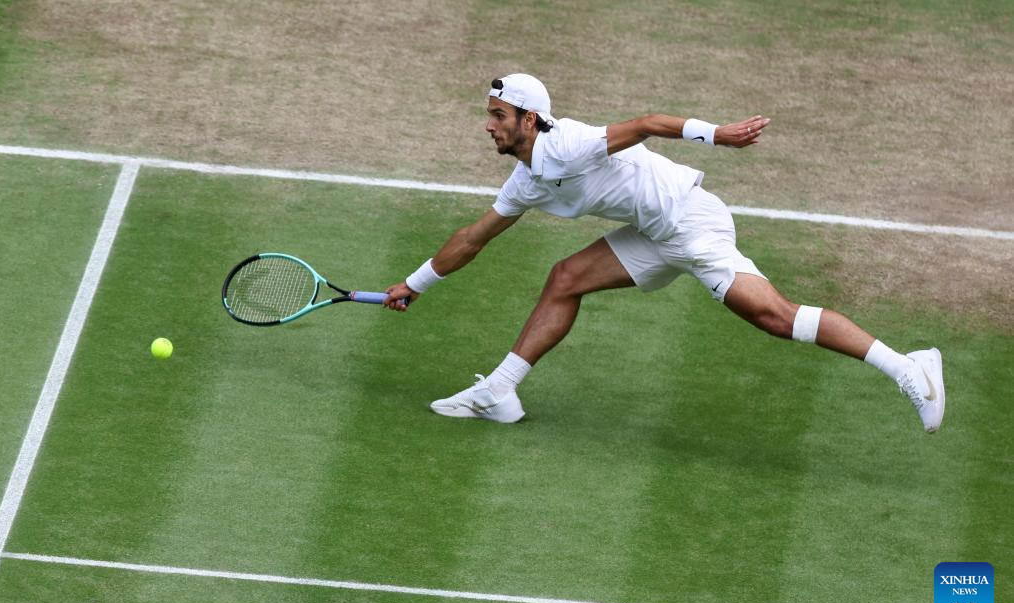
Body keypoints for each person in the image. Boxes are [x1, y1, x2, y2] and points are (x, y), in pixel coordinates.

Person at [382, 73, 945, 432]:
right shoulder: (525, 180)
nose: (488, 126)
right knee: (565, 278)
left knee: (775, 317)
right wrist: (414, 283)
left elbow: (648, 123)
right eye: (489, 114)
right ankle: (499, 392)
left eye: (498, 116)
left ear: (529, 119)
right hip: (652, 232)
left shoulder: (569, 144)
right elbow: (473, 238)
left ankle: (908, 367)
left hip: (689, 223)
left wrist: (719, 134)